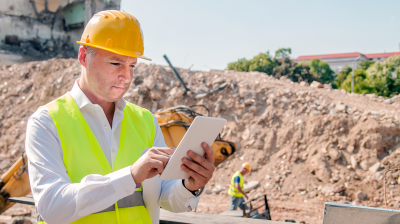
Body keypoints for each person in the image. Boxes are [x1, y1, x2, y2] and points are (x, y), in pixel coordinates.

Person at [25, 10, 215, 224]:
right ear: (83, 57)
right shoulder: (47, 122)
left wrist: (190, 185)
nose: (127, 76)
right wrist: (131, 176)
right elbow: (52, 207)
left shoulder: (146, 121)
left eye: (132, 65)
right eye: (115, 63)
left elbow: (164, 197)